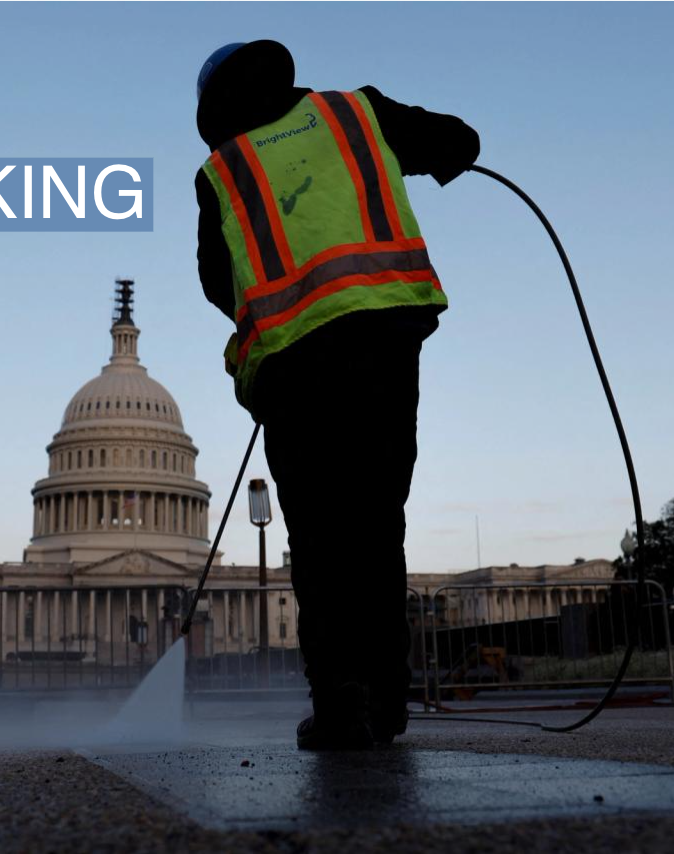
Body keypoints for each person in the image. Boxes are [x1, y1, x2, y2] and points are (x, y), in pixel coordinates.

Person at [194, 40, 479, 749]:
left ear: (216, 109)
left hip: (294, 363)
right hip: (384, 343)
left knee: (318, 540)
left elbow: (215, 282)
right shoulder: (354, 113)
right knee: (379, 524)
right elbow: (457, 141)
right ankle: (388, 700)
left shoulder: (222, 170)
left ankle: (340, 704)